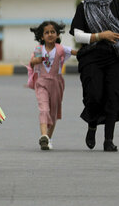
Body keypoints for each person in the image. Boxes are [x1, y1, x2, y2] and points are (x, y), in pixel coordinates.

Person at [69, 0, 119, 152]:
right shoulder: (83, 7)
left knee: (113, 96)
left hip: (115, 55)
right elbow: (78, 35)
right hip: (92, 56)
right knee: (94, 95)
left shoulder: (114, 1)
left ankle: (108, 140)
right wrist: (101, 35)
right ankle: (92, 125)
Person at [27, 21, 77, 150]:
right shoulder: (39, 49)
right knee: (44, 109)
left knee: (53, 113)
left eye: (52, 32)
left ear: (57, 35)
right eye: (47, 32)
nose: (50, 34)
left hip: (57, 83)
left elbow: (75, 52)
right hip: (42, 82)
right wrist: (34, 61)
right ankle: (43, 135)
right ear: (42, 36)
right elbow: (32, 63)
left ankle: (48, 138)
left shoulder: (61, 49)